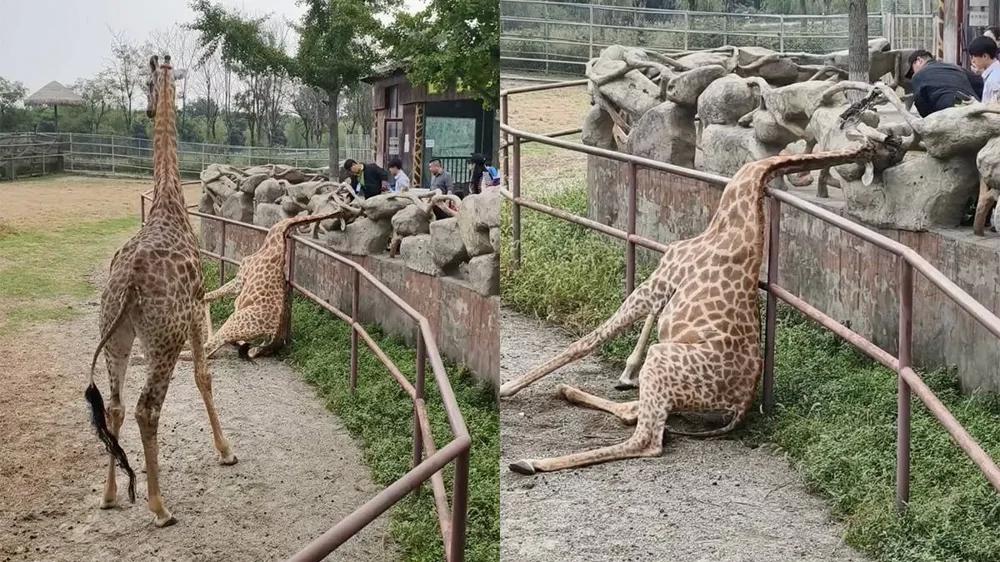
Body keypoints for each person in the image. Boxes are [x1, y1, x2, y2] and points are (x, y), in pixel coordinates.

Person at [905, 50, 981, 116]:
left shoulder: (918, 75)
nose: (913, 74)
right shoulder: (956, 67)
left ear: (919, 60)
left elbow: (923, 108)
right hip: (976, 108)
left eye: (912, 71)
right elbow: (980, 84)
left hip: (951, 115)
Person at [969, 36, 1000, 103]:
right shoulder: (994, 73)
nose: (972, 61)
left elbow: (994, 107)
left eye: (974, 57)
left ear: (985, 56)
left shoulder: (993, 80)